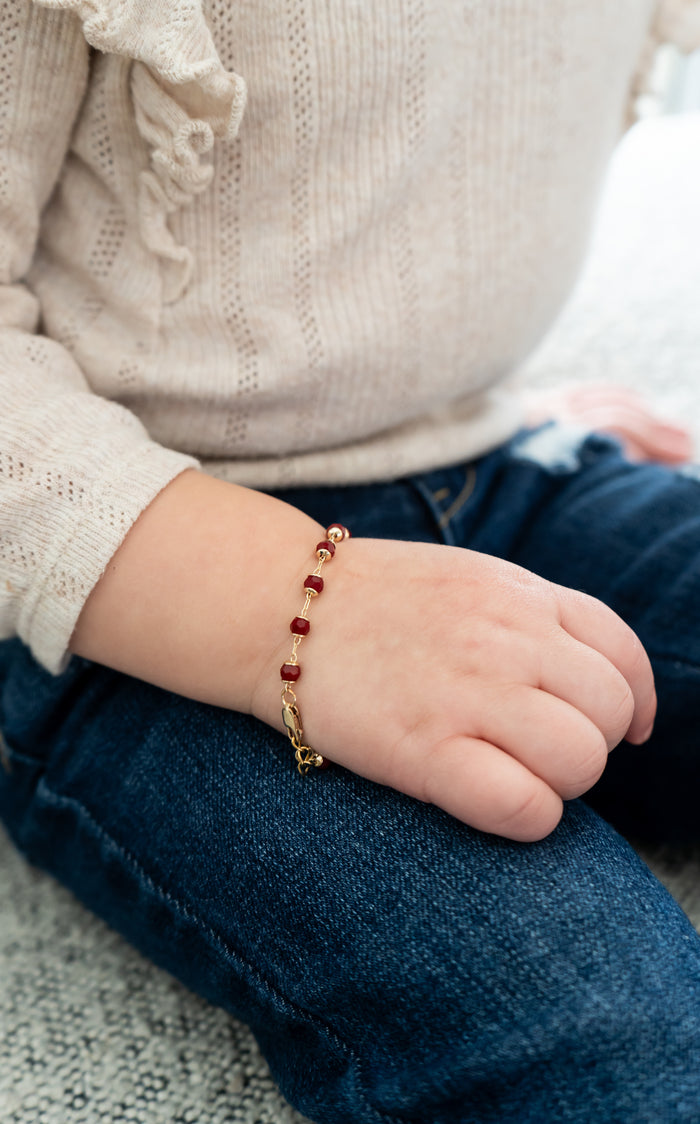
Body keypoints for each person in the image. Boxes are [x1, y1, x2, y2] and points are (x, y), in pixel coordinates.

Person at [2, 1, 700, 1120]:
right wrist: (304, 606)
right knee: (608, 1036)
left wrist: (423, 373)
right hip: (123, 575)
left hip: (488, 450)